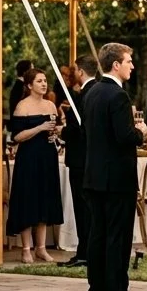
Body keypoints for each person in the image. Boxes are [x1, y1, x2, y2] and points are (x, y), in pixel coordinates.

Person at [83, 43, 147, 291]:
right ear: (116, 65)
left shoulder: (92, 92)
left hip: (94, 176)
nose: (132, 65)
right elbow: (124, 137)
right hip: (116, 178)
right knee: (117, 238)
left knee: (97, 236)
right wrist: (141, 131)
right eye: (129, 61)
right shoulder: (118, 96)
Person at [7, 68, 64, 263]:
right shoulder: (22, 106)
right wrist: (39, 128)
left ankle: (41, 248)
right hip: (29, 157)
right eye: (39, 81)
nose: (44, 84)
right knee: (28, 200)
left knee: (44, 199)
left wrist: (55, 133)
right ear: (30, 85)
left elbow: (54, 131)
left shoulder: (50, 105)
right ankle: (26, 249)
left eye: (45, 80)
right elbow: (17, 136)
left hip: (47, 156)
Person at [58, 54, 96, 268]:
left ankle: (85, 252)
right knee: (87, 208)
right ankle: (86, 250)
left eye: (74, 71)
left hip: (81, 159)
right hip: (91, 159)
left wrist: (62, 130)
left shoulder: (81, 97)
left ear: (81, 71)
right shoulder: (94, 92)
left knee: (83, 208)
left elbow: (77, 130)